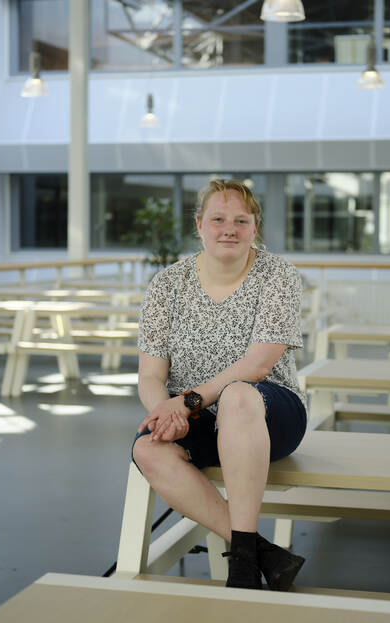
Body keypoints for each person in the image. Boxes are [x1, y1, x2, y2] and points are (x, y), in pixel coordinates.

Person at [131, 179, 308, 590]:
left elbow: (258, 365)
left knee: (239, 394)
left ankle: (242, 570)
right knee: (147, 449)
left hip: (268, 414)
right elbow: (151, 374)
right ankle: (256, 551)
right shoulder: (166, 285)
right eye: (218, 219)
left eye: (240, 220)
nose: (229, 228)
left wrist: (185, 403)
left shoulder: (278, 275)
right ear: (199, 225)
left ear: (254, 228)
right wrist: (163, 412)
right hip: (196, 414)